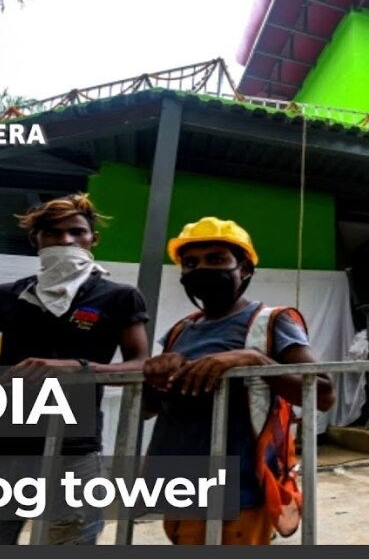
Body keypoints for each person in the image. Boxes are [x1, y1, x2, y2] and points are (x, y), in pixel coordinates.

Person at [0, 193, 149, 544]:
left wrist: (81, 368)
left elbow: (140, 365)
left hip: (73, 450)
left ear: (93, 239)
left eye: (76, 232)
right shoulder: (6, 296)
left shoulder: (118, 297)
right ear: (36, 240)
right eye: (52, 233)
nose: (66, 240)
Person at [143, 217, 335, 545]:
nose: (202, 268)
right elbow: (149, 408)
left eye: (216, 259)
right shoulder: (180, 331)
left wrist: (255, 360)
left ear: (244, 269)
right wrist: (156, 375)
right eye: (191, 263)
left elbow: (323, 394)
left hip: (240, 488)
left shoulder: (270, 322)